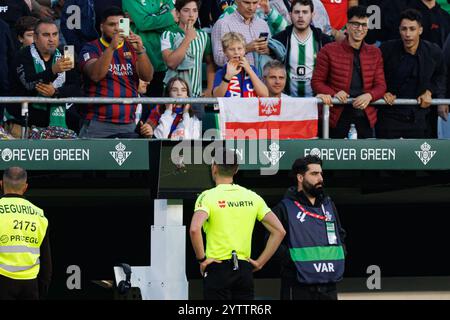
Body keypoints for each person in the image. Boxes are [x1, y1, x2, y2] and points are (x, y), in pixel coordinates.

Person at [190, 147, 285, 300]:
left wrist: (202, 260)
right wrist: (260, 263)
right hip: (244, 269)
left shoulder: (207, 196)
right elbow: (279, 231)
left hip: (217, 267)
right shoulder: (252, 197)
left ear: (214, 167)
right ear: (236, 170)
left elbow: (195, 229)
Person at [272, 155, 346, 300]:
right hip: (298, 285)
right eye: (314, 174)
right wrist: (293, 264)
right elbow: (271, 243)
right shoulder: (284, 208)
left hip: (328, 285)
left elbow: (341, 235)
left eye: (321, 174)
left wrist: (342, 252)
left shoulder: (329, 205)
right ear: (300, 178)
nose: (320, 178)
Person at [311, 5, 386, 138]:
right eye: (356, 24)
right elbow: (316, 82)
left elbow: (381, 86)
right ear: (347, 26)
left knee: (365, 157)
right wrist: (334, 93)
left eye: (364, 25)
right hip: (335, 116)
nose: (360, 29)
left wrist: (370, 95)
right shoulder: (328, 50)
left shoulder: (375, 52)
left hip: (365, 116)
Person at [78, 6, 153, 138]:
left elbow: (147, 76)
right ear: (102, 27)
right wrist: (112, 47)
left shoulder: (132, 47)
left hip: (128, 123)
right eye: (112, 25)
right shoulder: (90, 48)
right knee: (95, 159)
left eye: (120, 24)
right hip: (98, 123)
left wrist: (140, 51)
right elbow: (95, 75)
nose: (117, 29)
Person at [378, 9, 446, 138]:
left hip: (420, 118)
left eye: (412, 29)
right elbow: (374, 74)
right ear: (399, 30)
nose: (407, 34)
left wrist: (430, 91)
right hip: (389, 116)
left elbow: (440, 75)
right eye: (404, 29)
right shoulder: (386, 50)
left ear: (420, 30)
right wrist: (383, 91)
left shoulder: (433, 51)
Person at [9, 18, 81, 138]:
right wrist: (53, 70)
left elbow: (75, 87)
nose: (51, 39)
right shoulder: (22, 55)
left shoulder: (66, 54)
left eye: (55, 34)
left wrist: (56, 92)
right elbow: (29, 84)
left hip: (60, 120)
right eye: (46, 35)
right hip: (26, 123)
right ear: (36, 38)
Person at [0, 167, 52, 300]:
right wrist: (42, 288)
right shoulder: (39, 215)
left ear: (1, 184)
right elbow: (46, 261)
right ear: (25, 187)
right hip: (30, 285)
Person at [273, 0, 332, 97]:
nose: (300, 16)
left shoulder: (324, 41)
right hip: (287, 102)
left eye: (305, 12)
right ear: (290, 14)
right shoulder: (279, 40)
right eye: (297, 12)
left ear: (312, 15)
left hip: (316, 102)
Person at [123, 0, 179, 97]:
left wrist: (146, 19)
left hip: (162, 62)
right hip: (139, 63)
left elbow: (173, 27)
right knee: (139, 107)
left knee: (158, 108)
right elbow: (142, 23)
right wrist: (168, 17)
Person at [161, 0, 215, 98]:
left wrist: (209, 88)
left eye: (195, 10)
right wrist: (188, 39)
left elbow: (210, 63)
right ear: (177, 13)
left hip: (196, 97)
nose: (191, 15)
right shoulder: (168, 34)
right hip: (172, 97)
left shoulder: (203, 36)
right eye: (186, 10)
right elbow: (171, 63)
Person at [211, 0, 270, 68]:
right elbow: (219, 59)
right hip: (236, 77)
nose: (251, 7)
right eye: (246, 2)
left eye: (255, 3)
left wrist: (268, 50)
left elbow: (273, 57)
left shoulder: (263, 24)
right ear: (237, 1)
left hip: (261, 76)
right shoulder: (223, 24)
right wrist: (245, 49)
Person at [213, 32, 269, 97]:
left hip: (249, 106)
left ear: (244, 50)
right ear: (225, 52)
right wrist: (228, 76)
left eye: (239, 48)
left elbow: (265, 94)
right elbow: (216, 97)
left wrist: (249, 71)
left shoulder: (252, 69)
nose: (236, 52)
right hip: (230, 107)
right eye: (231, 49)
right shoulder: (221, 72)